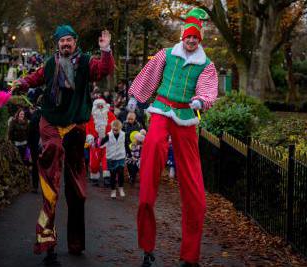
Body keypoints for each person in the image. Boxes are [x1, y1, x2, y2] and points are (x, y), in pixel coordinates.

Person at [10, 25, 114, 264]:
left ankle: (76, 244)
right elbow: (34, 78)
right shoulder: (50, 64)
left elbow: (103, 70)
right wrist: (21, 83)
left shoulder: (87, 62)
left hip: (75, 125)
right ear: (57, 44)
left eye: (69, 40)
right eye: (62, 41)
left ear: (75, 42)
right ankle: (48, 244)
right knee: (51, 182)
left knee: (77, 190)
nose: (65, 44)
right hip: (51, 123)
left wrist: (105, 49)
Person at [127, 8, 218, 267]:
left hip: (186, 118)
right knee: (153, 149)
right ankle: (147, 247)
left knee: (194, 192)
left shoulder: (206, 65)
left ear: (199, 40)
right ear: (183, 37)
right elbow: (149, 76)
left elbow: (208, 89)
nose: (191, 41)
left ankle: (190, 256)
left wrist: (202, 100)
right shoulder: (166, 55)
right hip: (161, 112)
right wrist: (136, 97)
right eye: (188, 37)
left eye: (195, 38)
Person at [85, 98, 116, 187]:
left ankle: (107, 178)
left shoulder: (110, 115)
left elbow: (115, 125)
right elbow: (88, 127)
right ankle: (94, 177)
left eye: (101, 106)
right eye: (98, 106)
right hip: (95, 142)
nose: (100, 108)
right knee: (94, 161)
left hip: (107, 141)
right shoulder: (91, 117)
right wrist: (90, 136)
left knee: (107, 160)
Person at [100, 120, 126, 199]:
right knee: (113, 175)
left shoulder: (123, 134)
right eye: (113, 129)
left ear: (120, 128)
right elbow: (101, 144)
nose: (115, 131)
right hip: (111, 158)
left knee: (121, 173)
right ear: (112, 128)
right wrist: (101, 140)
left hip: (120, 156)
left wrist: (129, 153)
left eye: (116, 130)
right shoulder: (108, 135)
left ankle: (121, 188)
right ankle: (113, 191)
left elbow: (126, 144)